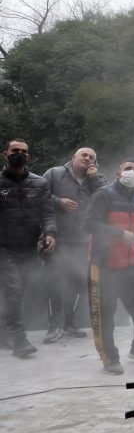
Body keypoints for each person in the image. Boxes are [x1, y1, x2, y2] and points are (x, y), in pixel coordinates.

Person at [84, 159, 134, 375]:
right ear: (118, 172)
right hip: (103, 264)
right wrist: (119, 234)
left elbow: (129, 230)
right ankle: (109, 358)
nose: (132, 172)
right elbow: (88, 224)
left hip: (128, 264)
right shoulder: (104, 194)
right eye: (128, 168)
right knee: (105, 314)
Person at [40, 147, 107, 343]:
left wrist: (94, 179)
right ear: (73, 158)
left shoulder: (98, 180)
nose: (87, 158)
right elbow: (38, 195)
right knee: (54, 281)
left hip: (84, 240)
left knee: (78, 282)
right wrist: (58, 201)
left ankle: (70, 322)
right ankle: (55, 325)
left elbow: (107, 200)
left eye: (92, 157)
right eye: (83, 155)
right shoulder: (54, 173)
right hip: (57, 237)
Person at [0, 139, 57, 358]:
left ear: (28, 156)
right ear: (6, 154)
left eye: (24, 151)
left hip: (29, 248)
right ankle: (19, 341)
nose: (19, 154)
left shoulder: (40, 183)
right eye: (15, 151)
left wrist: (50, 234)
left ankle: (5, 332)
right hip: (4, 248)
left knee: (20, 293)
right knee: (13, 291)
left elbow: (48, 213)